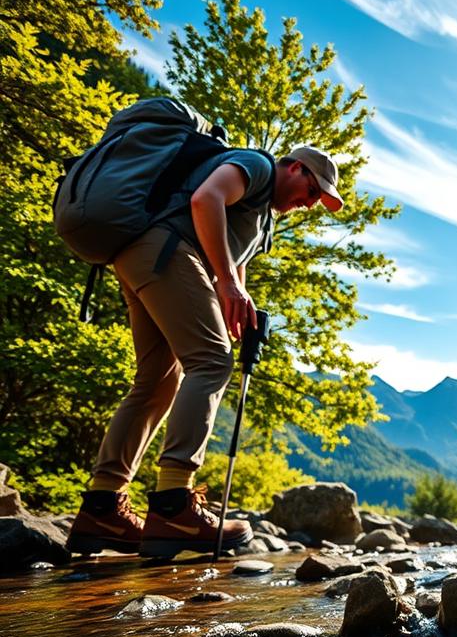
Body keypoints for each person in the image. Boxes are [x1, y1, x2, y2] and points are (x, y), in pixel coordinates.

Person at [65, 144, 342, 557]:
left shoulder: (261, 210)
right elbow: (205, 198)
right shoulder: (257, 165)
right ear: (296, 167)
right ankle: (174, 504)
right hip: (166, 250)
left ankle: (102, 506)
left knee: (158, 380)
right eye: (313, 191)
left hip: (145, 255)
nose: (310, 204)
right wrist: (226, 283)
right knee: (212, 362)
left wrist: (236, 288)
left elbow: (233, 247)